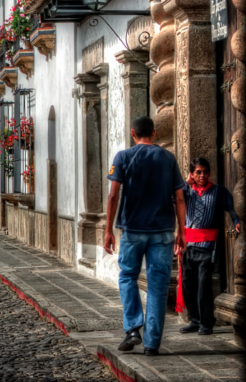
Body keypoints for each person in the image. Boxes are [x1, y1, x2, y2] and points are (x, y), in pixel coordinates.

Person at [104, 116, 186, 356]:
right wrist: (182, 230)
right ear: (154, 133)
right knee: (158, 285)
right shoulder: (168, 158)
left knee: (128, 276)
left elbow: (113, 196)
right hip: (163, 231)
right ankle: (152, 344)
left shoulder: (123, 157)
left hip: (132, 230)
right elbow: (180, 197)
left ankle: (132, 329)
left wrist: (108, 230)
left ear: (133, 133)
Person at [176, 157, 240, 335]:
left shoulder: (219, 191)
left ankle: (206, 323)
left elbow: (232, 208)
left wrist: (236, 221)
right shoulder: (186, 193)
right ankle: (194, 321)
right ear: (192, 174)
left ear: (209, 173)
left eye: (205, 172)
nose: (202, 175)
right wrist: (186, 183)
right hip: (188, 246)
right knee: (189, 284)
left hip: (208, 246)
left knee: (204, 284)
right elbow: (171, 197)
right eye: (198, 172)